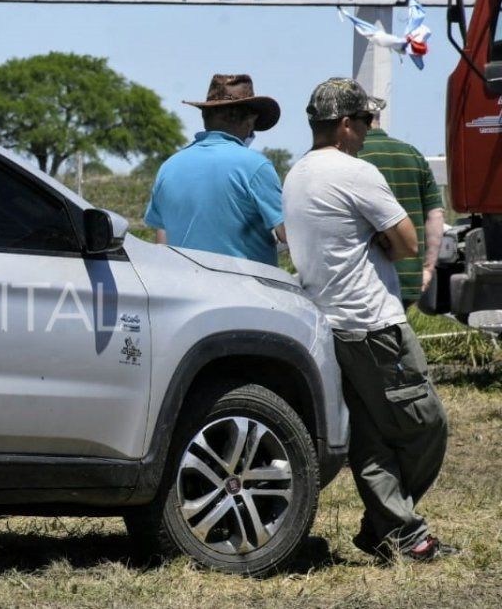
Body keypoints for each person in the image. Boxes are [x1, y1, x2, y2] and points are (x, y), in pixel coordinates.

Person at [282, 77, 455, 561]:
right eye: (362, 120)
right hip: (374, 323)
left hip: (332, 323)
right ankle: (393, 526)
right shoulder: (355, 171)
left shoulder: (297, 172)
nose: (366, 128)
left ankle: (399, 534)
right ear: (343, 125)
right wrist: (379, 239)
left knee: (372, 437)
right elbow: (406, 242)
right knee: (426, 425)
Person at [144, 73, 287, 266]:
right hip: (244, 292)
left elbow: (163, 242)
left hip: (183, 290)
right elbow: (287, 234)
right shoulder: (256, 166)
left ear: (205, 116)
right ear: (249, 120)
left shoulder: (168, 167)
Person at [359, 114, 445, 308]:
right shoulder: (412, 154)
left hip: (367, 280)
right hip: (409, 278)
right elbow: (435, 215)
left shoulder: (353, 155)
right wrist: (428, 269)